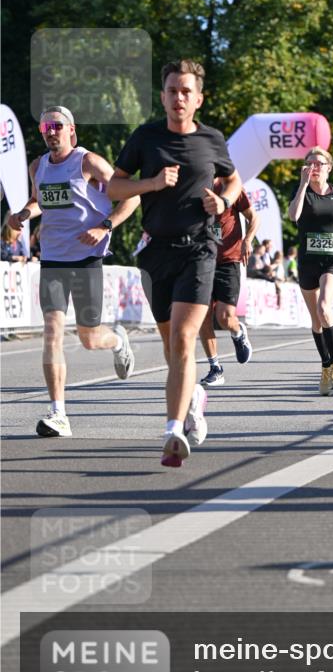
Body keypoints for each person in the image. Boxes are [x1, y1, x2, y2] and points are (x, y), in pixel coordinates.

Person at [108, 59, 242, 468]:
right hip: (156, 252)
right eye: (171, 91)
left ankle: (172, 431)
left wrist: (223, 201)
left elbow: (234, 179)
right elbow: (114, 185)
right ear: (163, 96)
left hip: (200, 249)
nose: (178, 98)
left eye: (186, 91)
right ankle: (194, 398)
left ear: (198, 99)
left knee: (185, 339)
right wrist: (150, 183)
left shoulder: (212, 140)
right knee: (172, 349)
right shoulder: (145, 138)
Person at [6, 106, 138, 438]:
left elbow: (131, 196)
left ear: (71, 130)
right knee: (52, 332)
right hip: (52, 259)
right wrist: (23, 213)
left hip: (86, 259)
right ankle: (58, 413)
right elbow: (40, 201)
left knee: (90, 338)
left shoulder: (88, 162)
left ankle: (118, 340)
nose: (51, 131)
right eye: (45, 127)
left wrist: (105, 226)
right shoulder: (37, 166)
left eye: (57, 126)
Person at [288, 145, 333, 396]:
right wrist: (304, 184)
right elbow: (294, 216)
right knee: (316, 320)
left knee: (324, 307)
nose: (314, 167)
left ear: (329, 167)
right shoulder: (301, 192)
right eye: (309, 163)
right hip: (307, 263)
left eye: (319, 163)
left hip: (332, 261)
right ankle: (325, 365)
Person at [198, 186, 258, 388]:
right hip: (201, 260)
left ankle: (238, 332)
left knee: (224, 318)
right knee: (202, 315)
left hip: (228, 259)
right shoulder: (191, 184)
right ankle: (215, 368)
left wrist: (248, 241)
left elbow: (254, 218)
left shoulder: (230, 186)